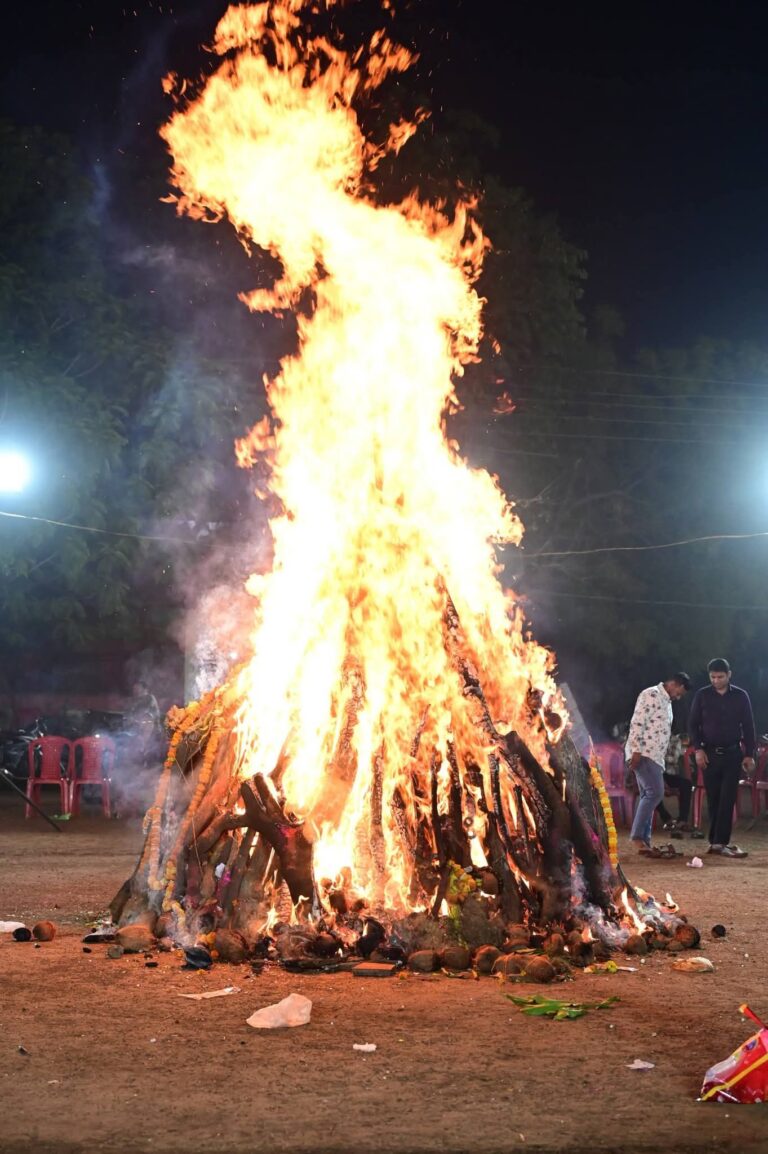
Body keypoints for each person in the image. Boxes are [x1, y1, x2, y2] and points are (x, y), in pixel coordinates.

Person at [687, 658, 756, 858]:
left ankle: (720, 842)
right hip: (709, 754)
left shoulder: (741, 696)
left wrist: (749, 754)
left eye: (720, 677)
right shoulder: (702, 695)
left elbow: (749, 726)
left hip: (733, 754)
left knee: (727, 798)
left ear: (729, 675)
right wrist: (698, 749)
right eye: (713, 677)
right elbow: (692, 725)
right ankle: (715, 841)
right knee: (714, 797)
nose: (716, 680)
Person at [625, 673, 692, 856]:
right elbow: (637, 723)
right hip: (644, 753)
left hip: (655, 757)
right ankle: (638, 837)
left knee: (648, 794)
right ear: (673, 684)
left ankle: (644, 841)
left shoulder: (667, 702)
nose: (678, 697)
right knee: (656, 793)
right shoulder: (650, 694)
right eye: (679, 692)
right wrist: (636, 751)